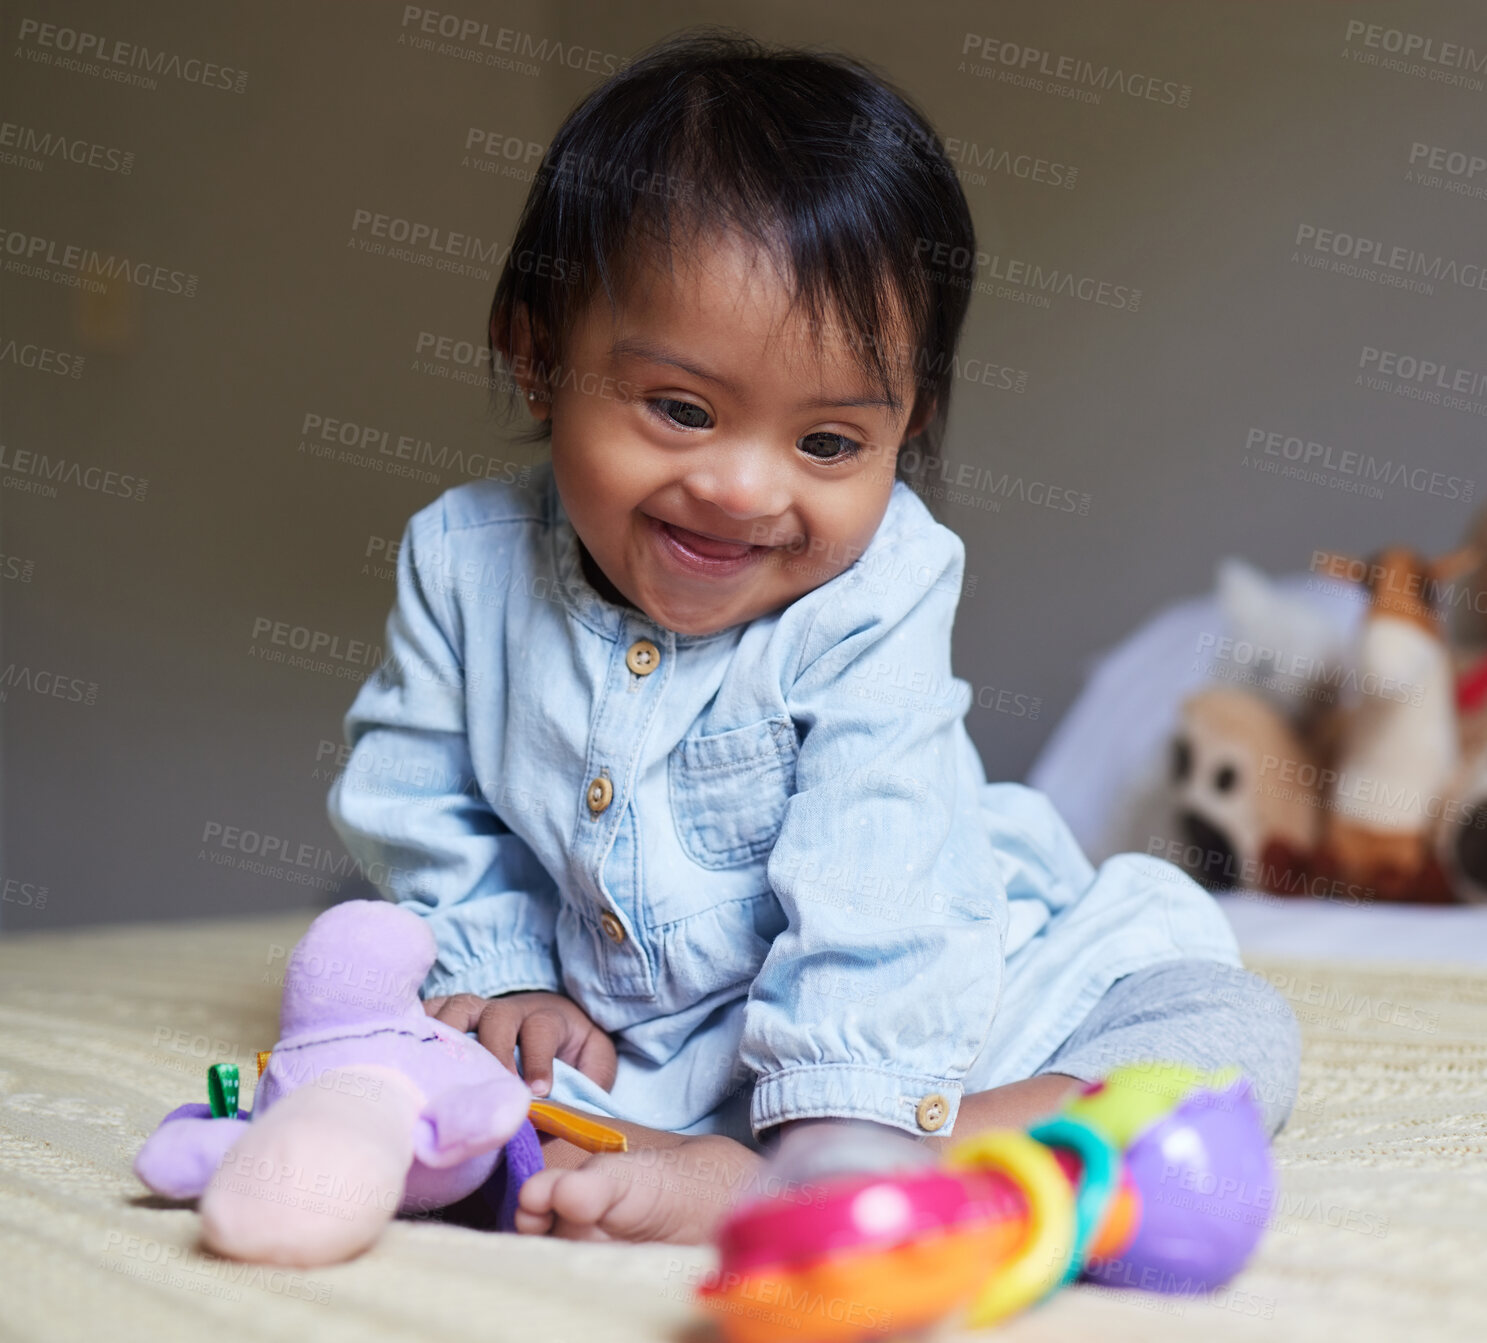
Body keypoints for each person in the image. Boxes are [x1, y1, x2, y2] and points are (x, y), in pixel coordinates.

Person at [326, 26, 1299, 1245]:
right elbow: (416, 792)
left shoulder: (877, 587)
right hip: (639, 1045)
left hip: (922, 998)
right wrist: (504, 968)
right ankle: (810, 1151)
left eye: (827, 443)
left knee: (1224, 1028)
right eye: (679, 409)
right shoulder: (462, 563)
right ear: (534, 355)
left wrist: (841, 1121)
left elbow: (875, 861)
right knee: (395, 1045)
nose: (741, 489)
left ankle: (867, 1159)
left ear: (906, 431)